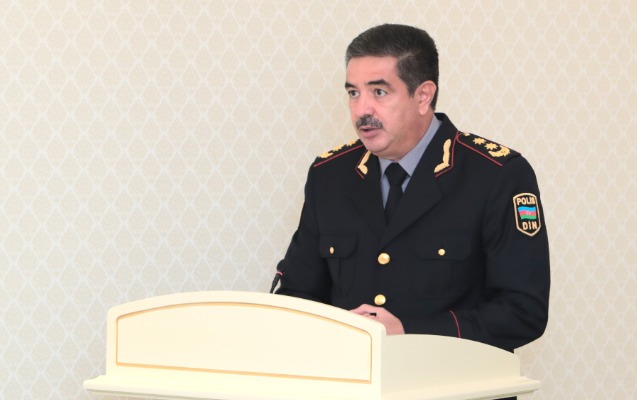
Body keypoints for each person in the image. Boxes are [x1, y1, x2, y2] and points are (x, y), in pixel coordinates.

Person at [274, 24, 550, 358]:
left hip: (454, 380)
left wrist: (409, 331)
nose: (362, 110)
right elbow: (296, 293)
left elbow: (523, 311)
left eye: (379, 92)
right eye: (353, 93)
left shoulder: (496, 175)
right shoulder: (329, 175)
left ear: (423, 96)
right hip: (351, 378)